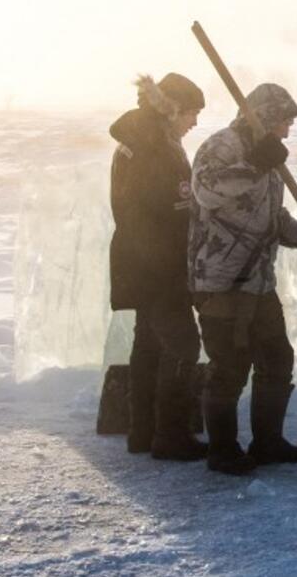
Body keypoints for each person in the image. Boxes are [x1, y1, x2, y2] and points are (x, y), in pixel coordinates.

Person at [188, 83, 297, 476]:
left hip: (258, 280)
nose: (287, 131)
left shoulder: (268, 156)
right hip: (221, 280)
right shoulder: (223, 146)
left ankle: (267, 442)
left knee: (276, 359)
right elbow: (206, 191)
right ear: (265, 118)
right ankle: (222, 450)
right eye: (284, 122)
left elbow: (270, 219)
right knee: (229, 366)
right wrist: (256, 164)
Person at [109, 73, 209, 461]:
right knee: (183, 343)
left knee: (148, 343)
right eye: (192, 113)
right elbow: (150, 214)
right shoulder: (153, 148)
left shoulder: (143, 141)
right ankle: (170, 435)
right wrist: (169, 269)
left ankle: (143, 431)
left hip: (142, 263)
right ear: (172, 110)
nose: (195, 123)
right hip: (158, 267)